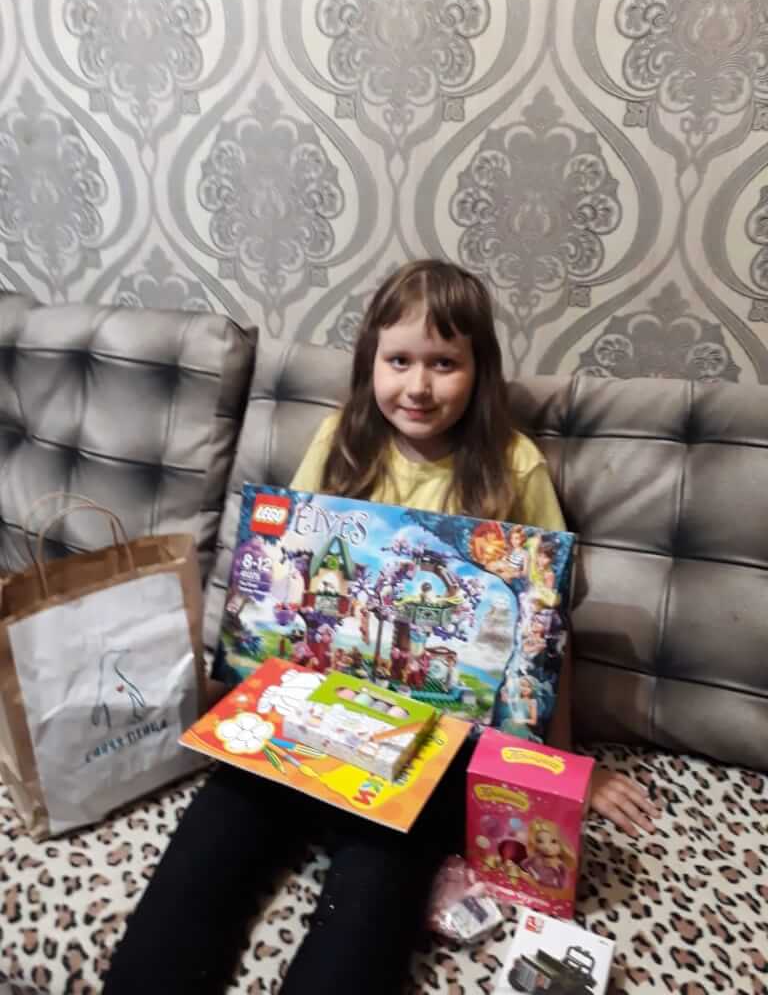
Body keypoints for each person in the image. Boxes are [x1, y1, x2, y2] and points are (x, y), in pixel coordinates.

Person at [103, 260, 660, 995]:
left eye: (444, 364)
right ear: (370, 362)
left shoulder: (512, 465)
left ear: (480, 371)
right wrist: (230, 679)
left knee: (374, 897)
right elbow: (282, 571)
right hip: (309, 714)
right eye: (399, 361)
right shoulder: (341, 440)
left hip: (433, 748)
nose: (418, 386)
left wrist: (564, 768)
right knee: (211, 840)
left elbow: (545, 632)